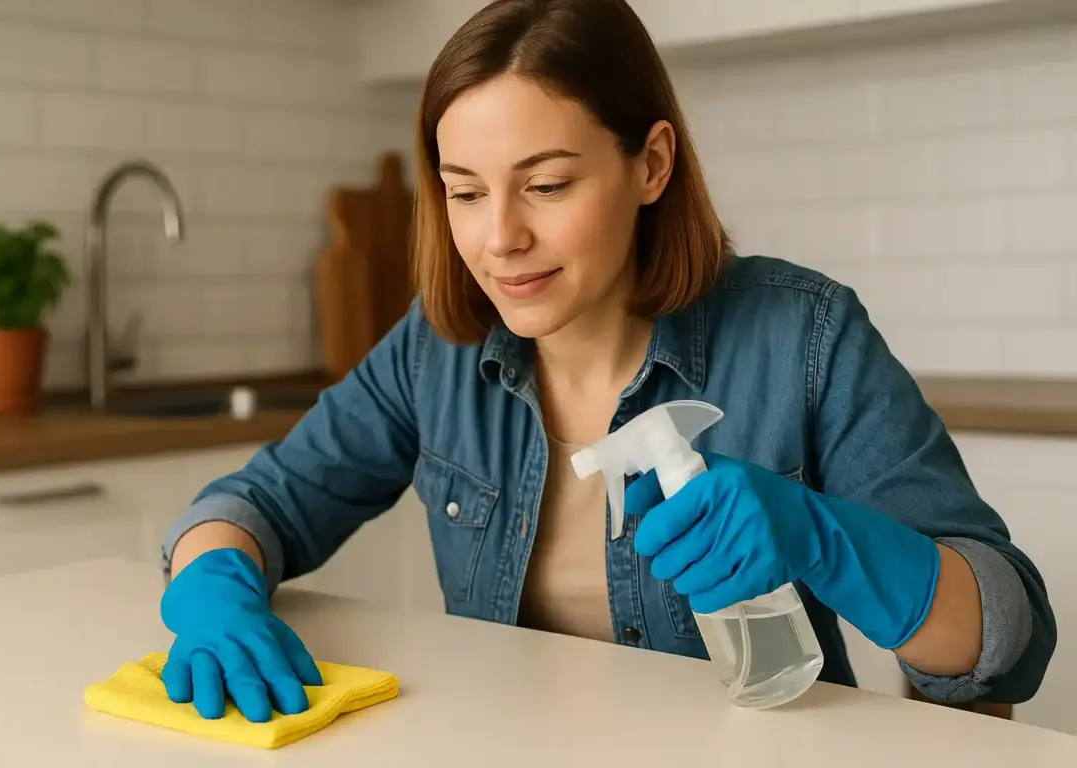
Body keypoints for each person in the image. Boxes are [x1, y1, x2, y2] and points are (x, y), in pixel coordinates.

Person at [156, 0, 1056, 723]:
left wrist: (827, 538)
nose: (500, 237)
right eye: (465, 192)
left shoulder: (803, 336)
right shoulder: (437, 349)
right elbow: (262, 502)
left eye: (546, 185)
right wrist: (210, 584)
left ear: (651, 164)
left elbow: (1009, 641)